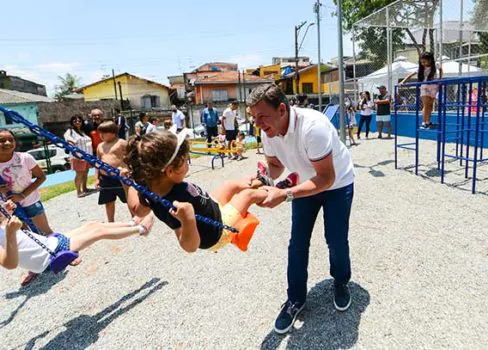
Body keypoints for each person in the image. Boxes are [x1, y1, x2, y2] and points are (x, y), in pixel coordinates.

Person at [247, 84, 355, 334]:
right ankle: (295, 298)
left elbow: (326, 178)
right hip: (307, 182)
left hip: (337, 183)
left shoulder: (313, 128)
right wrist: (262, 180)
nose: (258, 123)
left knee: (336, 240)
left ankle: (340, 282)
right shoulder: (268, 130)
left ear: (282, 109)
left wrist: (285, 194)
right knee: (297, 243)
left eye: (262, 116)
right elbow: (274, 165)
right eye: (254, 117)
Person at [122, 130, 299, 253]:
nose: (188, 164)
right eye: (185, 161)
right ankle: (278, 189)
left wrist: (128, 184)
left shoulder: (150, 187)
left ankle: (262, 180)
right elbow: (189, 247)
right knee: (247, 195)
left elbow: (138, 210)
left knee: (232, 185)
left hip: (211, 208)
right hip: (218, 231)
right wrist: (188, 219)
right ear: (170, 171)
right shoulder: (174, 204)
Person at [0, 200, 155, 274]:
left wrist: (6, 212)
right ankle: (141, 229)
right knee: (98, 233)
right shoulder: (6, 232)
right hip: (48, 256)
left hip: (49, 243)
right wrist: (10, 232)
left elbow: (9, 229)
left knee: (92, 225)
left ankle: (131, 223)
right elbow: (9, 264)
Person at [0, 128, 55, 286]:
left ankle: (63, 252)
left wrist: (22, 195)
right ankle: (35, 267)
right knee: (25, 236)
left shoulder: (24, 158)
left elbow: (41, 176)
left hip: (30, 200)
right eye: (2, 140)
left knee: (45, 230)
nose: (7, 143)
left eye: (10, 139)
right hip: (10, 207)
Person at [95, 121, 131, 222]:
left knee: (129, 199)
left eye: (104, 133)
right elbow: (97, 163)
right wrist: (96, 178)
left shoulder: (121, 143)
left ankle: (135, 218)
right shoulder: (100, 146)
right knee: (108, 202)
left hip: (121, 177)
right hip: (105, 178)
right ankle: (111, 221)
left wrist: (128, 169)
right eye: (100, 133)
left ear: (113, 133)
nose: (101, 135)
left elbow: (131, 157)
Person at [400, 51, 443, 129]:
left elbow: (440, 69)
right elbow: (411, 74)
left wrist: (440, 79)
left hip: (434, 86)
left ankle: (428, 122)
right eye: (421, 62)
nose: (423, 63)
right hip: (425, 87)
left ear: (430, 60)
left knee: (430, 105)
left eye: (424, 62)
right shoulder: (421, 68)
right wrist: (403, 81)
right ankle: (423, 123)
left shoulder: (435, 65)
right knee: (426, 105)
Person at [64, 115, 93, 198]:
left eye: (79, 121)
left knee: (85, 172)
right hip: (78, 156)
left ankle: (85, 188)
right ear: (72, 122)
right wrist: (72, 145)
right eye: (75, 121)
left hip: (87, 156)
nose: (77, 122)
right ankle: (78, 191)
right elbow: (68, 139)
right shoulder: (70, 131)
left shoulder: (83, 132)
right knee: (79, 173)